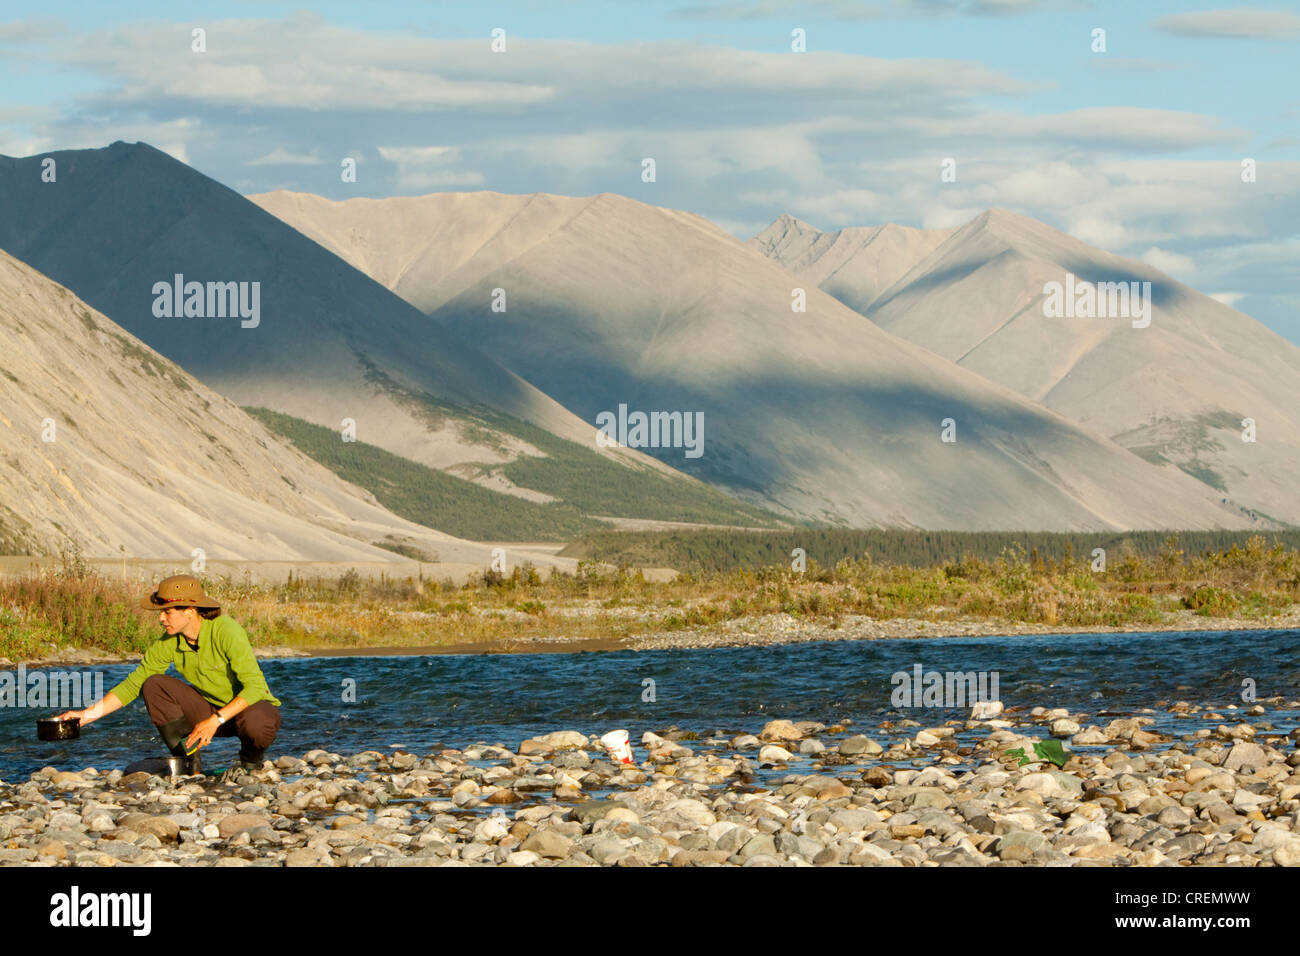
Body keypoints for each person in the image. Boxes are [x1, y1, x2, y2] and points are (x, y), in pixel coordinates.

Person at [58, 574, 281, 770]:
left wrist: (216, 720)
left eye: (167, 612)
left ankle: (251, 761)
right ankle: (189, 763)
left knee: (258, 724)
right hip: (208, 711)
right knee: (153, 684)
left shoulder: (226, 629)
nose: (161, 618)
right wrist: (85, 716)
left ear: (190, 612)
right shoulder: (168, 641)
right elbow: (133, 684)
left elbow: (256, 686)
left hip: (247, 710)